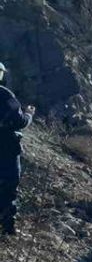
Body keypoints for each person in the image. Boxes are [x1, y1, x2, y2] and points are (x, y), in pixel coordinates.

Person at [0, 62, 36, 235]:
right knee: (8, 186)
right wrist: (28, 114)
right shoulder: (4, 95)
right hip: (5, 149)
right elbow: (19, 121)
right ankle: (7, 228)